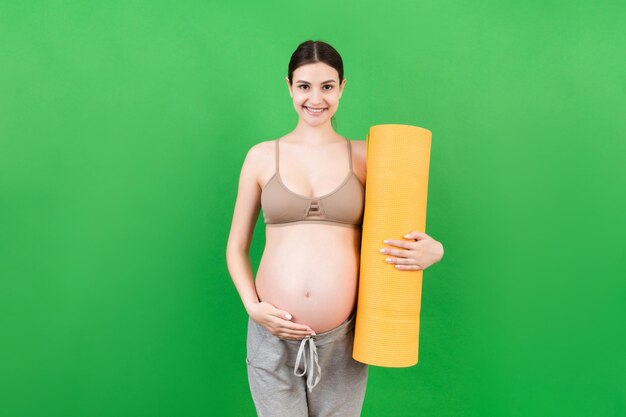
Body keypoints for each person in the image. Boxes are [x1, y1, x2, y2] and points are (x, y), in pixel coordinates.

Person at [225, 39, 444, 417]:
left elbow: (404, 227)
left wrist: (433, 251)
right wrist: (253, 307)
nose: (316, 98)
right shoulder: (261, 157)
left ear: (342, 87)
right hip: (271, 334)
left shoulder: (366, 156)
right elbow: (236, 247)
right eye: (304, 86)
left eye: (327, 86)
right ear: (289, 86)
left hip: (343, 338)